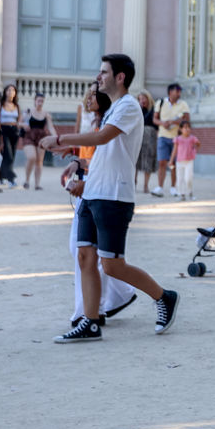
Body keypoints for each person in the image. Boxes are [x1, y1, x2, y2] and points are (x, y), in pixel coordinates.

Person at [44, 54, 179, 343]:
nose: (99, 76)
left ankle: (164, 297)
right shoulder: (114, 108)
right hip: (93, 192)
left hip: (114, 196)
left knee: (112, 265)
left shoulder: (129, 106)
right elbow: (105, 153)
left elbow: (104, 138)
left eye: (104, 72)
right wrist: (78, 163)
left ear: (120, 77)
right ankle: (91, 321)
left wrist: (61, 140)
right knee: (84, 257)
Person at [62, 88, 137, 329]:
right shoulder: (99, 120)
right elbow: (94, 158)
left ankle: (92, 310)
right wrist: (77, 162)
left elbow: (108, 161)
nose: (88, 98)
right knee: (84, 253)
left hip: (102, 191)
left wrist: (86, 182)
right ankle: (105, 302)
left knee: (99, 257)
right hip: (92, 187)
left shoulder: (112, 123)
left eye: (93, 95)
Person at [152, 83, 190, 197]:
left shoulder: (183, 104)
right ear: (170, 92)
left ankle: (174, 187)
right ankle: (159, 187)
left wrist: (173, 122)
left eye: (179, 91)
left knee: (173, 163)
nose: (179, 93)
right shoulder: (161, 102)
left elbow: (187, 119)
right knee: (162, 162)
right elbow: (155, 119)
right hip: (162, 136)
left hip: (176, 138)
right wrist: (162, 123)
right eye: (177, 91)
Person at [21, 92, 49, 190]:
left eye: (42, 101)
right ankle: (27, 180)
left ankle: (37, 184)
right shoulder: (28, 111)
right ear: (35, 101)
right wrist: (23, 125)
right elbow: (18, 122)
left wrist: (57, 138)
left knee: (39, 161)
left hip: (41, 138)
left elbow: (51, 127)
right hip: (29, 136)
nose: (40, 103)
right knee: (31, 157)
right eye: (38, 101)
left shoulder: (46, 114)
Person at [169, 121, 200, 201]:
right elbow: (174, 150)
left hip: (189, 161)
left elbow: (198, 144)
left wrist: (196, 147)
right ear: (181, 129)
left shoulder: (192, 138)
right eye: (185, 127)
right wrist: (171, 160)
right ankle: (181, 194)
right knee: (179, 179)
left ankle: (190, 192)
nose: (187, 129)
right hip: (179, 162)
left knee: (188, 178)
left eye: (189, 127)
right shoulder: (177, 139)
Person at [0, 84, 21, 188]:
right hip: (4, 130)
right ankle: (11, 179)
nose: (10, 92)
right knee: (8, 155)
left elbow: (19, 120)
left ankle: (0, 176)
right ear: (5, 92)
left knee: (11, 155)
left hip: (14, 131)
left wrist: (18, 127)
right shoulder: (1, 105)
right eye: (8, 90)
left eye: (12, 90)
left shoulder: (17, 106)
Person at [136, 90, 158, 193]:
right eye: (139, 99)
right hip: (138, 135)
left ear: (148, 98)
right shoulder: (137, 110)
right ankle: (134, 183)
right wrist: (139, 107)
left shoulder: (154, 109)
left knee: (148, 160)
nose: (142, 100)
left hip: (150, 136)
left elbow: (156, 124)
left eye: (143, 98)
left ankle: (146, 185)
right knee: (136, 159)